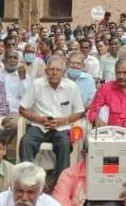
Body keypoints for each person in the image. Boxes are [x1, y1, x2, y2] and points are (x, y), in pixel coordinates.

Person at [18, 56, 85, 185]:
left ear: (64, 72)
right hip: (39, 125)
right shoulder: (37, 84)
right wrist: (39, 119)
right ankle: (27, 179)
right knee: (26, 141)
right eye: (51, 69)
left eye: (58, 70)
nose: (54, 72)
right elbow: (22, 109)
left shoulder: (71, 86)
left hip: (61, 127)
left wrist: (62, 121)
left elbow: (80, 112)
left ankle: (61, 183)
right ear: (46, 70)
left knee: (64, 144)